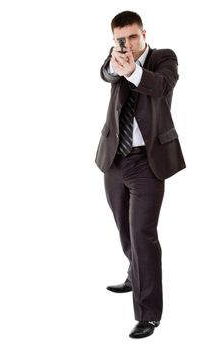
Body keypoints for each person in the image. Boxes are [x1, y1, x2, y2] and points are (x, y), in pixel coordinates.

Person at [95, 10, 186, 339]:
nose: (129, 44)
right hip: (114, 160)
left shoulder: (163, 58)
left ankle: (149, 314)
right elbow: (105, 74)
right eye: (122, 39)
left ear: (144, 33)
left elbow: (162, 87)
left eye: (134, 37)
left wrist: (133, 70)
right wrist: (114, 64)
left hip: (148, 162)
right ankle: (135, 274)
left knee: (143, 235)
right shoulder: (116, 58)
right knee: (124, 229)